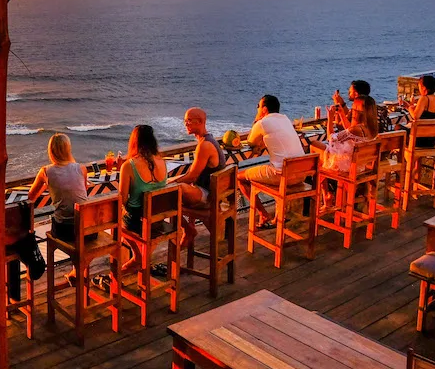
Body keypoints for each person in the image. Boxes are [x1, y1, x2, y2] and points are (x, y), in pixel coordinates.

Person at [238, 94, 305, 229]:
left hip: (283, 176)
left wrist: (256, 120)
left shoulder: (262, 123)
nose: (257, 109)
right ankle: (278, 217)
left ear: (264, 109)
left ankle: (263, 214)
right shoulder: (285, 119)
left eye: (258, 106)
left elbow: (251, 141)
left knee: (239, 178)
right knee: (276, 166)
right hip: (302, 173)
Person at [173, 108, 226, 244]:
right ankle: (209, 232)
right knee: (172, 190)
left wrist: (171, 183)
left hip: (207, 195)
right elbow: (192, 173)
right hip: (213, 192)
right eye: (185, 120)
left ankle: (188, 230)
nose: (186, 124)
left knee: (169, 193)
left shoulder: (205, 145)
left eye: (189, 120)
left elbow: (192, 177)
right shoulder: (208, 141)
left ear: (201, 122)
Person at [119, 125, 168, 271]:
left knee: (116, 222)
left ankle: (137, 257)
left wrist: (120, 171)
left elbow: (122, 200)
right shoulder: (161, 160)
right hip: (158, 220)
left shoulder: (129, 166)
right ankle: (141, 256)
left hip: (138, 222)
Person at [28, 133, 89, 241]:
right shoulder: (81, 168)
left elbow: (31, 195)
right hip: (87, 229)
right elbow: (84, 191)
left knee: (57, 219)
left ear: (51, 151)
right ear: (68, 149)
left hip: (65, 231)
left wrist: (47, 186)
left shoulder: (45, 171)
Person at [404, 74, 435, 148]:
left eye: (419, 87)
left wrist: (409, 107)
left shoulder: (424, 98)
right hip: (431, 139)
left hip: (420, 138)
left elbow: (415, 116)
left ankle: (405, 155)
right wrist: (412, 106)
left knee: (398, 128)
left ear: (424, 88)